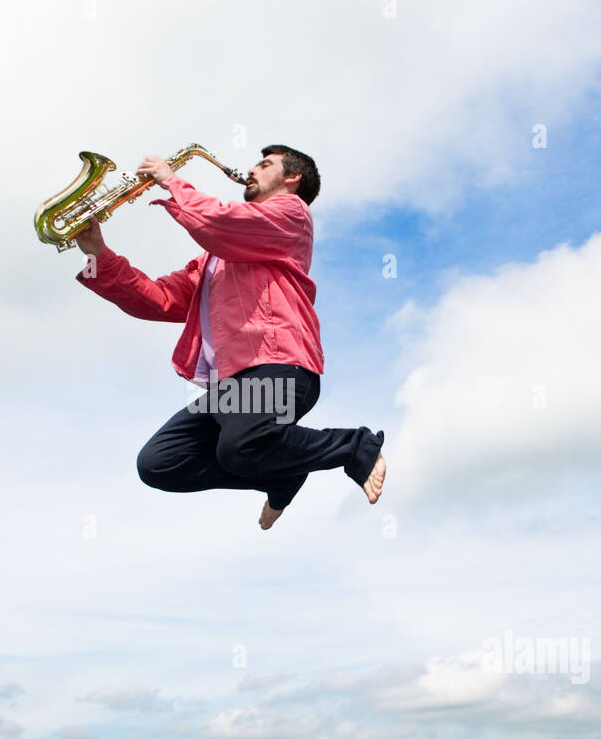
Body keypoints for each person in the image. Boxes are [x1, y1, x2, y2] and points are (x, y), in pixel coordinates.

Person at [72, 143, 386, 530]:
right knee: (160, 463)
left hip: (277, 363)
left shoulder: (292, 214)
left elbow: (222, 223)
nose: (252, 170)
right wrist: (98, 254)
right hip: (232, 385)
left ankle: (354, 446)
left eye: (265, 164)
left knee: (241, 445)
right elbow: (159, 300)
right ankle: (283, 473)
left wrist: (172, 181)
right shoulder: (213, 258)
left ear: (293, 178)